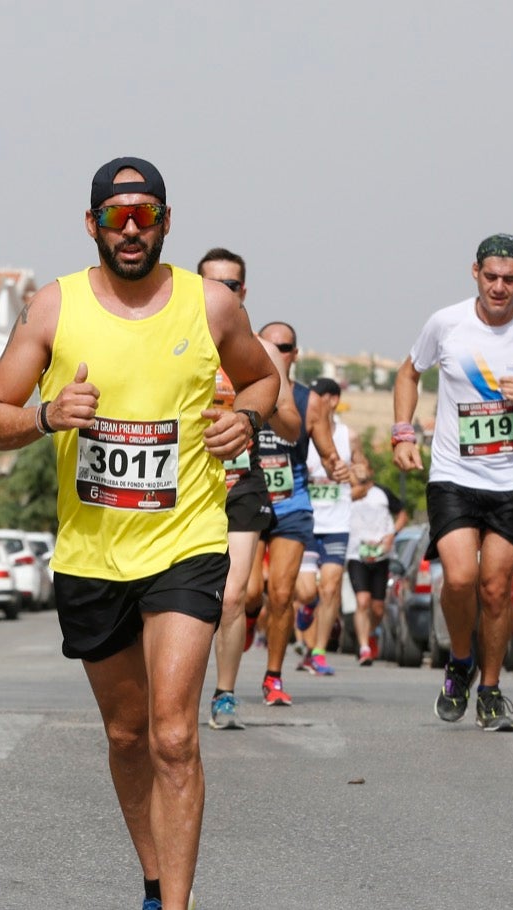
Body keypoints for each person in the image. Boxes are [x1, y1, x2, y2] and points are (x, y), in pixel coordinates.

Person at [0, 157, 280, 910]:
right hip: (92, 556)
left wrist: (243, 417)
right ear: (94, 225)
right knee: (127, 734)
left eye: (145, 213)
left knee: (176, 736)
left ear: (167, 222)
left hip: (185, 544)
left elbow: (263, 376)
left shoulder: (210, 304)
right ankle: (151, 894)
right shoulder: (54, 306)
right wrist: (42, 416)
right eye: (118, 215)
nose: (132, 227)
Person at [393, 233, 513, 732]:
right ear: (474, 272)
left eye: (509, 279)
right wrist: (403, 431)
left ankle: (490, 690)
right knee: (461, 578)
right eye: (490, 277)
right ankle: (460, 660)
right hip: (453, 473)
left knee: (495, 589)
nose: (499, 287)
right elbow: (409, 373)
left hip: (510, 478)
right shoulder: (446, 323)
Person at [195, 247, 301, 731]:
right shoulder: (174, 337)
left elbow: (295, 428)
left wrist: (257, 402)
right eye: (209, 283)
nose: (219, 293)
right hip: (181, 485)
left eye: (229, 286)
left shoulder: (259, 348)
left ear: (243, 292)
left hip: (239, 481)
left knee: (234, 596)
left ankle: (224, 694)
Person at [252, 321, 346, 707]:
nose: (278, 352)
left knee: (282, 594)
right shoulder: (244, 390)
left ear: (295, 353)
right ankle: (244, 623)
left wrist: (338, 466)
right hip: (249, 500)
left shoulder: (311, 401)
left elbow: (328, 453)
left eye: (285, 346)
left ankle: (273, 676)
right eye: (268, 344)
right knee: (246, 595)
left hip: (292, 504)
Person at [297, 378, 364, 676]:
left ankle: (319, 652)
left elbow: (363, 471)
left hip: (337, 522)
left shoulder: (350, 436)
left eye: (319, 396)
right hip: (308, 522)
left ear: (333, 400)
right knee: (307, 590)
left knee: (332, 586)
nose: (313, 401)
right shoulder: (302, 433)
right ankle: (308, 605)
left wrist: (357, 472)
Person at [347, 461, 400, 665]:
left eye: (362, 468)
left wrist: (391, 535)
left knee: (378, 608)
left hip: (380, 555)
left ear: (371, 471)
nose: (359, 471)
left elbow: (402, 513)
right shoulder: (347, 493)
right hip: (356, 554)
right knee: (362, 601)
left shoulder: (382, 493)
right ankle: (364, 648)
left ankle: (368, 633)